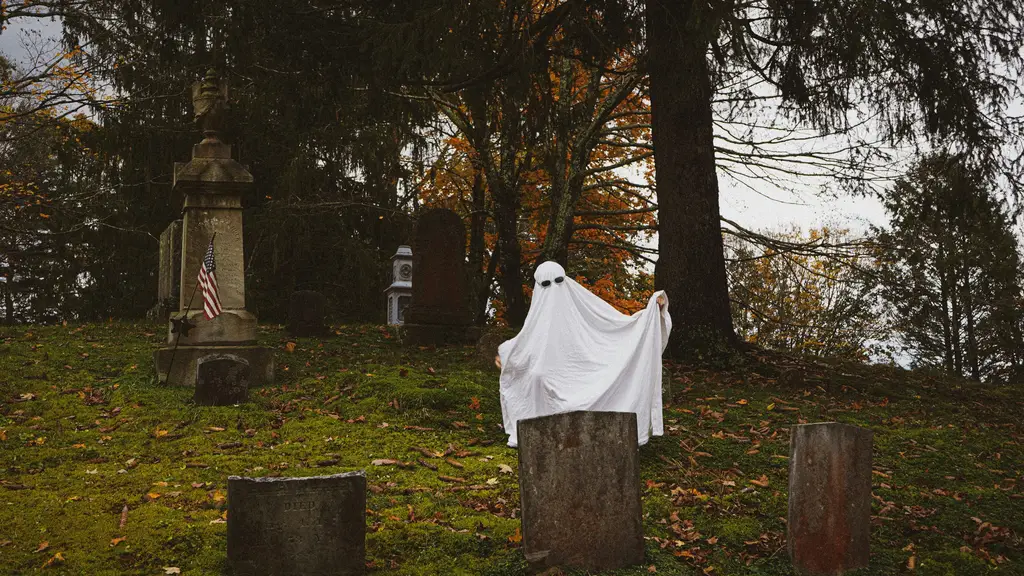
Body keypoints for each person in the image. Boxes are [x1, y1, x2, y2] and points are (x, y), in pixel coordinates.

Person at [495, 261, 672, 447]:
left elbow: (614, 324)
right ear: (538, 286)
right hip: (549, 379)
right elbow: (525, 342)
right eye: (546, 284)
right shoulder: (538, 315)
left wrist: (651, 313)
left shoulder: (580, 304)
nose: (554, 288)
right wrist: (507, 358)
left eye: (559, 280)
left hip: (580, 372)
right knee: (538, 374)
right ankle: (544, 431)